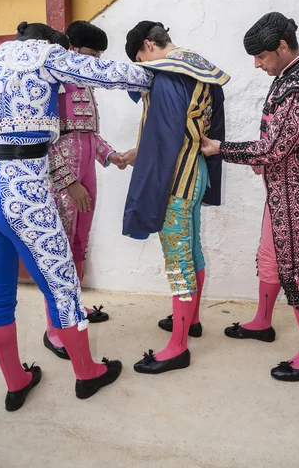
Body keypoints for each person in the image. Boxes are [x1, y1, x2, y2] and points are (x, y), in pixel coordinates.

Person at [0, 21, 152, 411]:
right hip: (22, 190)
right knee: (63, 288)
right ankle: (87, 374)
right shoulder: (46, 56)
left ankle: (16, 383)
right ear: (56, 45)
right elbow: (114, 75)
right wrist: (166, 68)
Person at [201, 11, 299, 382]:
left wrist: (220, 149)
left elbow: (274, 148)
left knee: (293, 270)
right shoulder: (290, 74)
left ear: (283, 47)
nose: (258, 65)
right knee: (270, 257)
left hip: (292, 189)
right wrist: (263, 159)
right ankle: (262, 323)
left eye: (261, 57)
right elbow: (274, 140)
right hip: (280, 185)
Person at [122, 21, 230, 375]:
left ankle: (178, 347)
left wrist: (148, 188)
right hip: (196, 168)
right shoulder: (198, 64)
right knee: (192, 248)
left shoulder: (167, 74)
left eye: (141, 59)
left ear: (150, 46)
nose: (143, 68)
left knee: (178, 258)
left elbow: (166, 137)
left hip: (176, 179)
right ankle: (192, 321)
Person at [44, 21, 126, 359]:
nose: (94, 63)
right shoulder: (51, 81)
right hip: (64, 182)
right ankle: (54, 329)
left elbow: (89, 135)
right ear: (73, 51)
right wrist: (70, 182)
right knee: (58, 254)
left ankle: (73, 311)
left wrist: (113, 155)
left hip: (86, 175)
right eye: (91, 55)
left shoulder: (84, 84)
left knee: (79, 245)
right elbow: (44, 140)